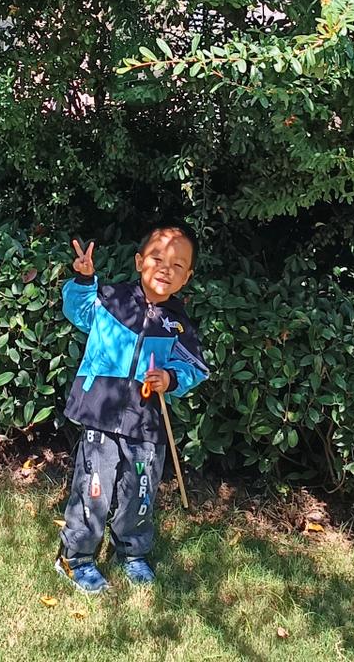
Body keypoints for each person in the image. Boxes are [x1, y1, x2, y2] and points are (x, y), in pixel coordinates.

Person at [54, 224, 209, 592]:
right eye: (157, 257)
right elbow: (78, 312)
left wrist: (170, 379)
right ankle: (75, 558)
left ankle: (133, 553)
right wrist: (83, 280)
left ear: (186, 278)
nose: (164, 268)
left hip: (146, 422)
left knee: (140, 489)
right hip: (100, 414)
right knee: (94, 487)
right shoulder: (109, 300)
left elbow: (196, 368)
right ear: (140, 261)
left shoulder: (178, 325)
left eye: (176, 265)